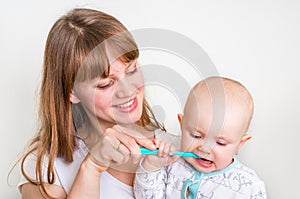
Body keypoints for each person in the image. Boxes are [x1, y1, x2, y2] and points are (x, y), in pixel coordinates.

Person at [18, 8, 173, 199]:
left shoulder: (172, 146)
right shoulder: (46, 168)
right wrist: (92, 167)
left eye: (132, 70)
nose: (128, 90)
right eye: (107, 84)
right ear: (72, 92)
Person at [134, 76, 267, 199]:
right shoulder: (170, 163)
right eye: (196, 136)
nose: (204, 148)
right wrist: (151, 166)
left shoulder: (249, 186)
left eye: (220, 143)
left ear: (240, 143)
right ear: (182, 124)